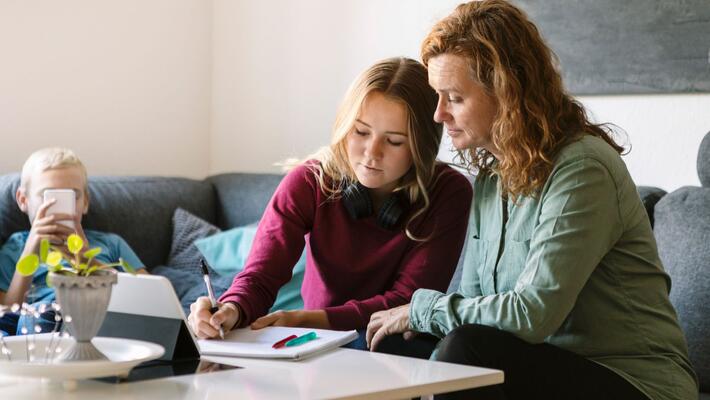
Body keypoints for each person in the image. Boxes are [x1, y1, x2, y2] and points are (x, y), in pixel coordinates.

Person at [365, 2, 698, 400]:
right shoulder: (491, 177)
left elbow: (531, 313)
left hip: (633, 381)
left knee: (465, 349)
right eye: (438, 97)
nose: (438, 115)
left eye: (453, 97)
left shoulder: (582, 170)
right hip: (542, 363)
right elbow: (474, 304)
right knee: (391, 345)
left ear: (506, 91)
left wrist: (423, 310)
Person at [188, 57, 472, 349]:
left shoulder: (449, 192)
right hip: (317, 339)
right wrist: (230, 310)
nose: (371, 152)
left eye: (395, 141)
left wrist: (309, 320)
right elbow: (261, 274)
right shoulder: (309, 181)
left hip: (392, 340)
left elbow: (409, 300)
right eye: (361, 132)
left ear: (421, 147)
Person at [0, 148, 146, 336]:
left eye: (72, 196)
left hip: (96, 316)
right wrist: (31, 249)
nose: (59, 207)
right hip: (37, 321)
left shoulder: (110, 243)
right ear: (23, 200)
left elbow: (149, 297)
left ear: (85, 202)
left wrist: (86, 260)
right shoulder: (16, 247)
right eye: (48, 195)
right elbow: (7, 309)